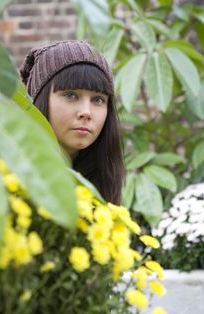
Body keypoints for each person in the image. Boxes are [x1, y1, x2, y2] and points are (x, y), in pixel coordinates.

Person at [20, 40, 125, 205]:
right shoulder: (9, 177)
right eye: (71, 95)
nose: (86, 112)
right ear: (40, 100)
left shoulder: (104, 181)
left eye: (98, 99)